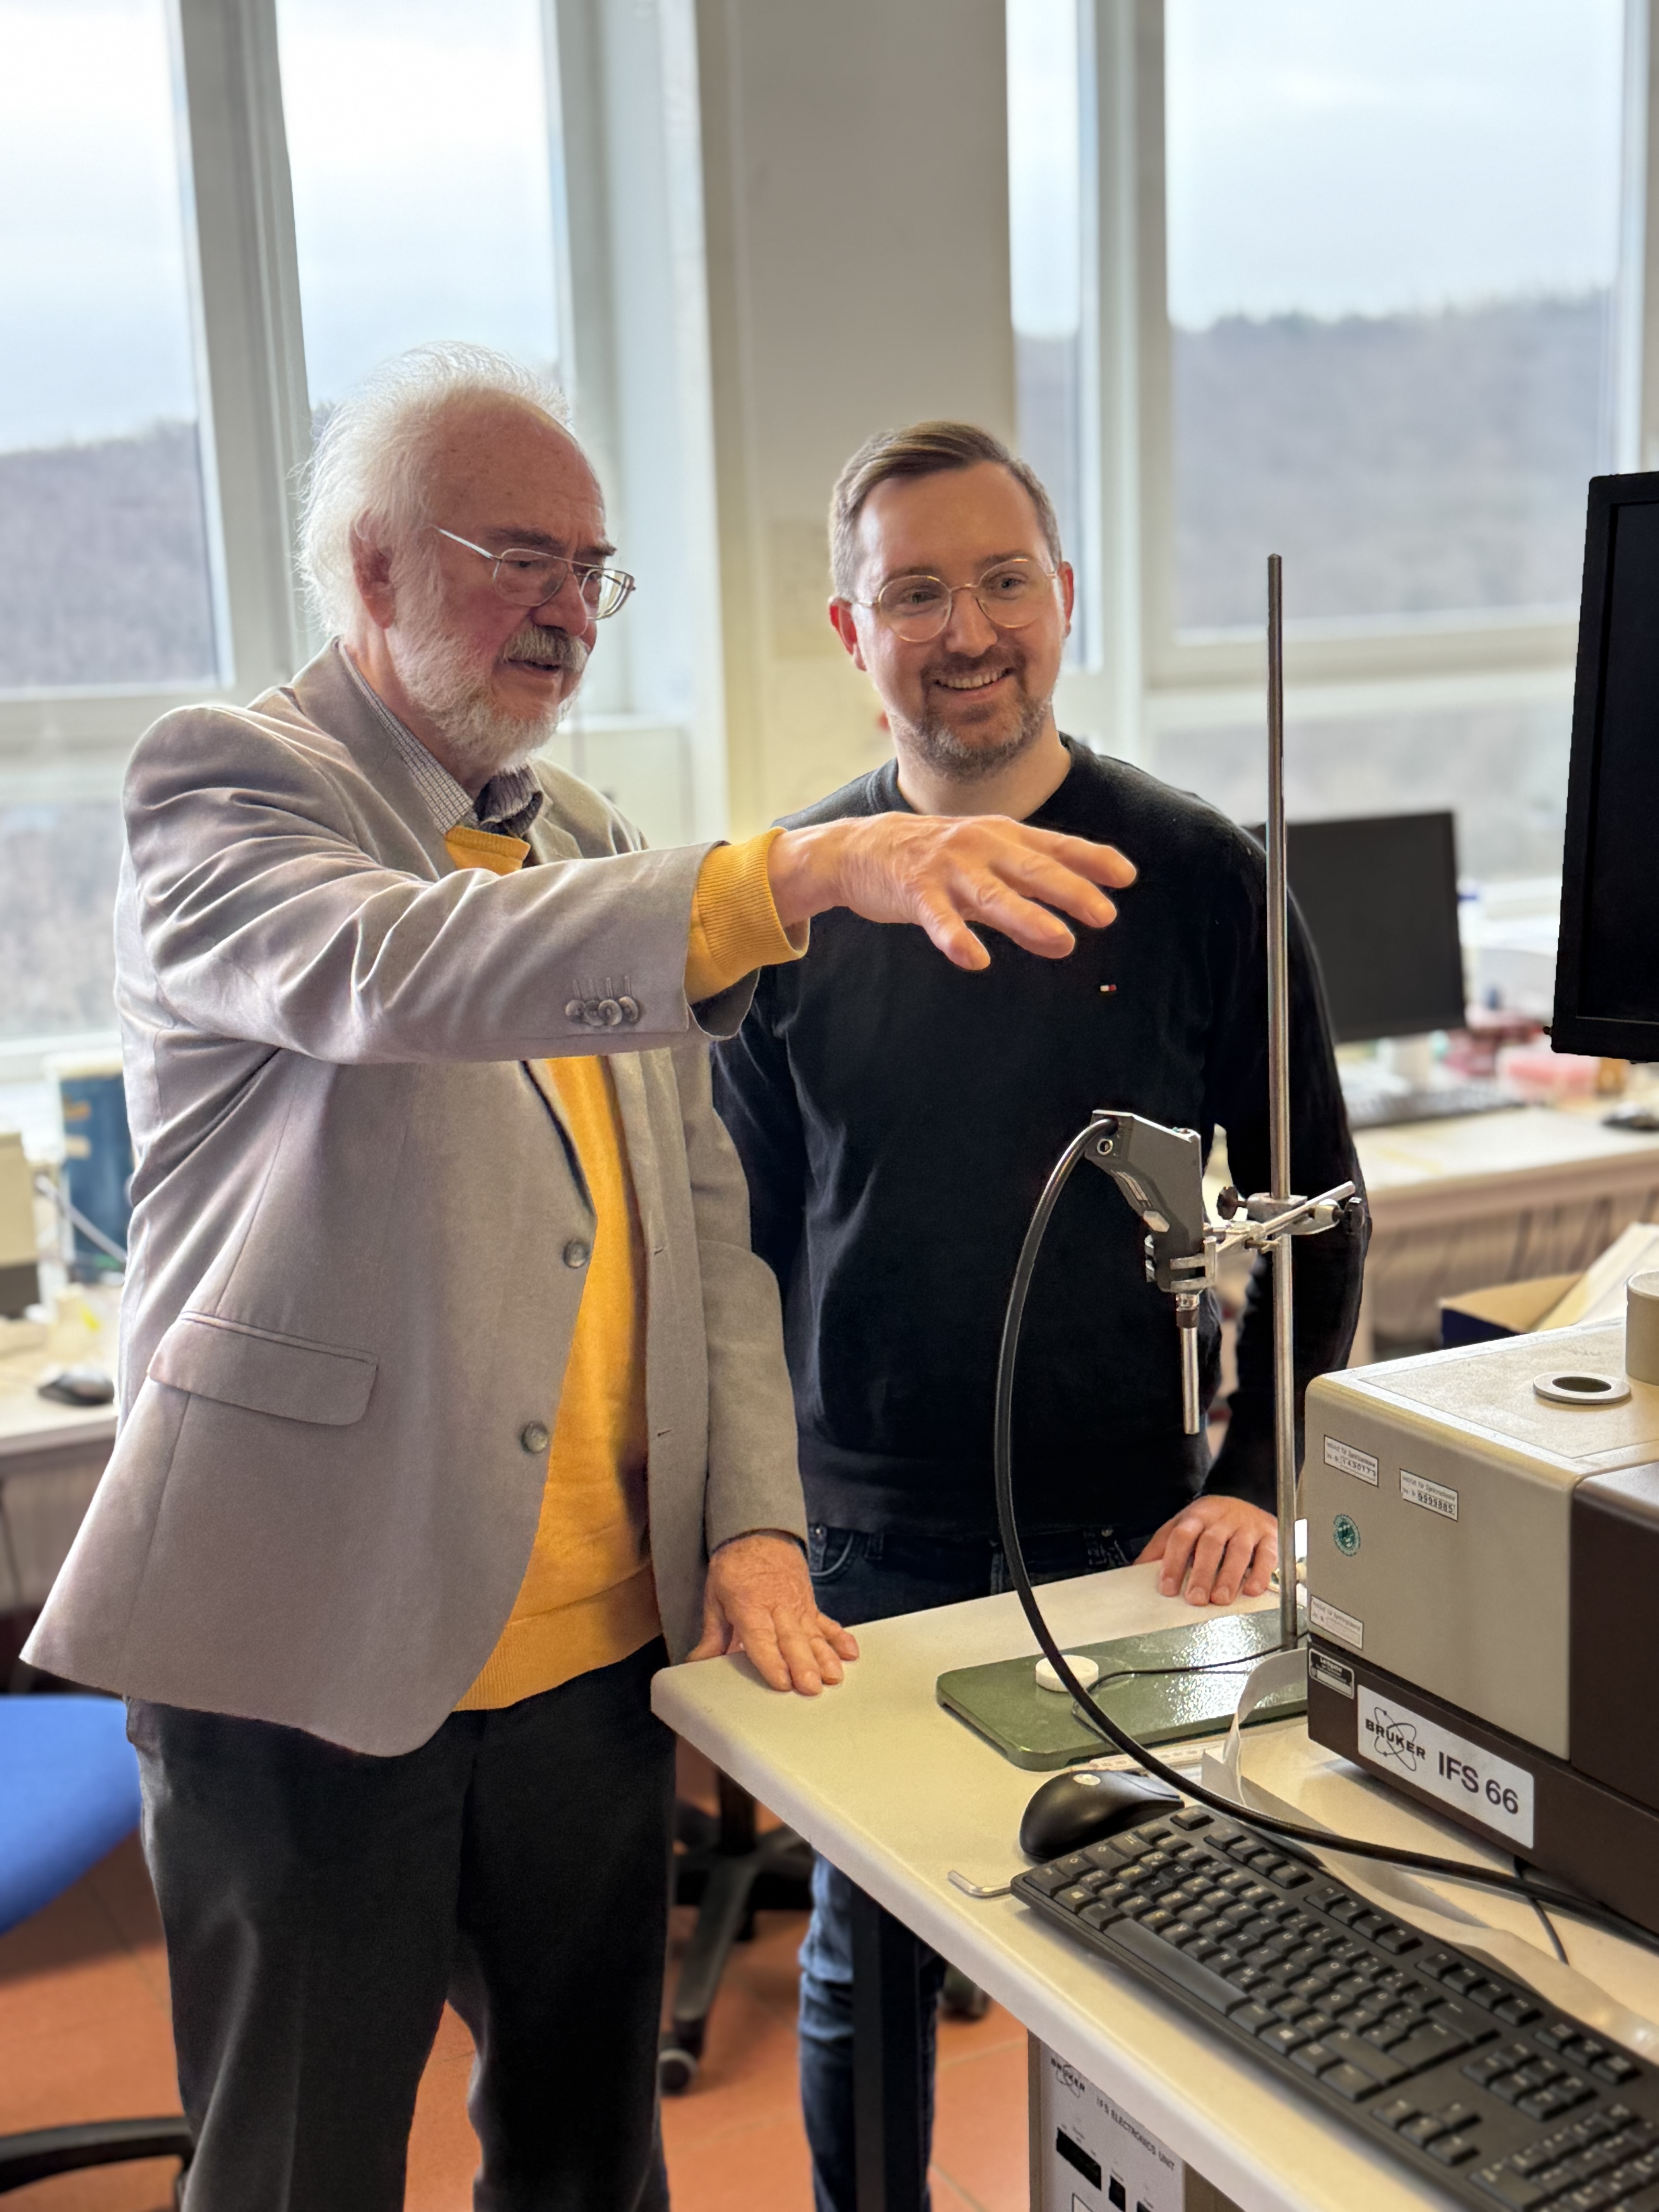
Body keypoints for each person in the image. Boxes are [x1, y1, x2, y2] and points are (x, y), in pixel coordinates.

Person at [24, 360, 1138, 2212]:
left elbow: (702, 1220)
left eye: (591, 569)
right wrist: (815, 864)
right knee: (301, 2169)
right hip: (314, 1645)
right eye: (518, 557)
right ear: (372, 571)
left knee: (588, 2159)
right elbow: (396, 973)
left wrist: (755, 1521)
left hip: (594, 1660)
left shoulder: (593, 843)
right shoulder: (227, 785)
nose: (565, 607)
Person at [710, 419, 1369, 2212]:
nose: (968, 626)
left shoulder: (1203, 876)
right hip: (864, 1540)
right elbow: (739, 1252)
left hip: (1139, 1533)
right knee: (870, 1956)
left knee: (1150, 1942)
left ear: (1063, 600)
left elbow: (1326, 1210)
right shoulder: (790, 904)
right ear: (853, 638)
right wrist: (753, 1519)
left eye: (1002, 579)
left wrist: (1256, 1468)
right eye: (914, 591)